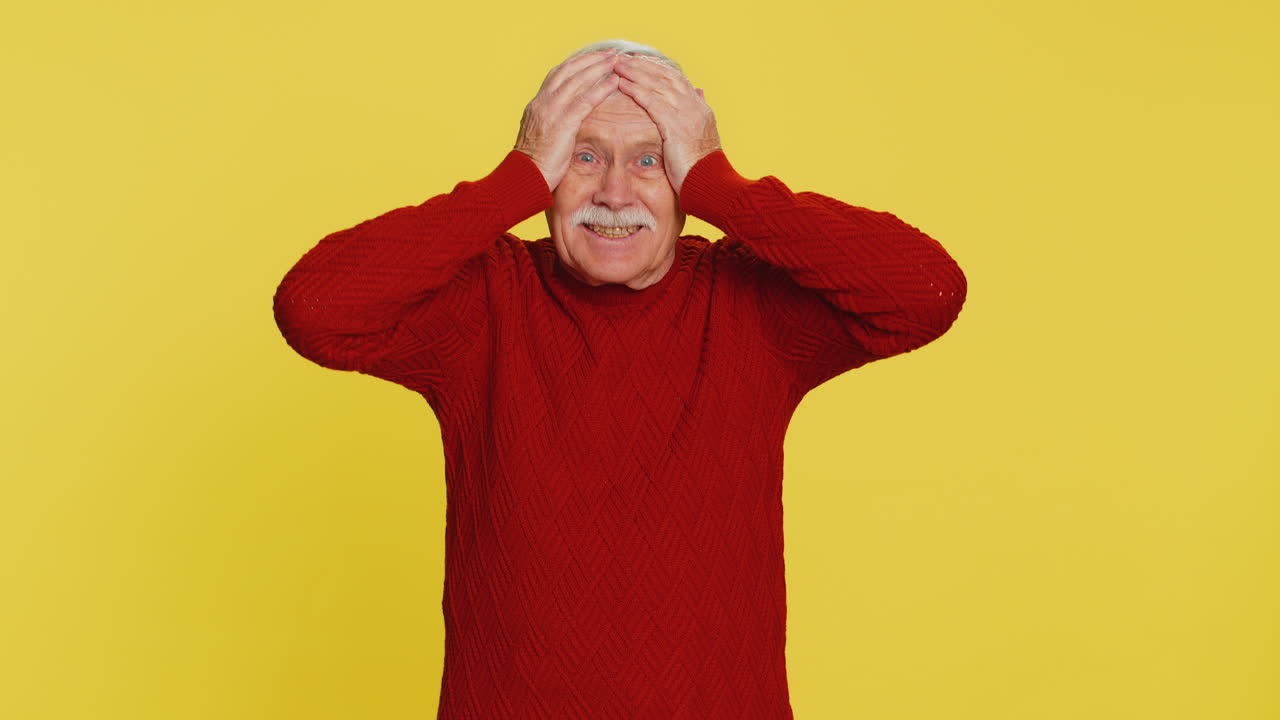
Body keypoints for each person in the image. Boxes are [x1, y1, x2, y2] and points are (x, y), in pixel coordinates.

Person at [273, 38, 966, 720]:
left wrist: (722, 185)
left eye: (650, 160)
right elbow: (314, 311)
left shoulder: (749, 303)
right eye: (583, 156)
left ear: (686, 178)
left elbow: (926, 292)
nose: (614, 191)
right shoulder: (486, 303)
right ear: (545, 169)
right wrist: (508, 181)